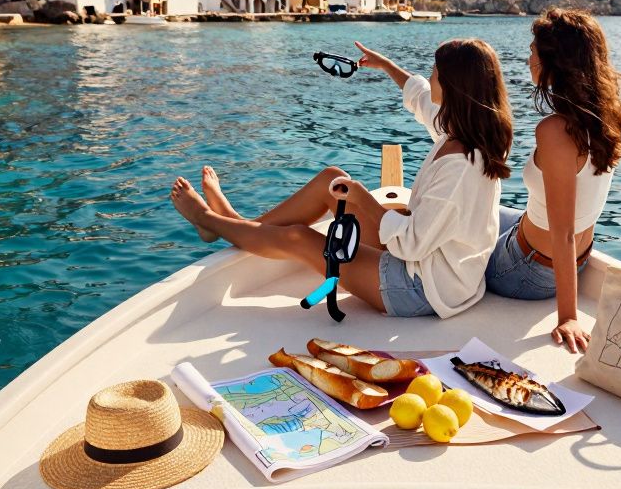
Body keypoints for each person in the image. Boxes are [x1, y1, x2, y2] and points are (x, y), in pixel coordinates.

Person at [170, 38, 513, 318]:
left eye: (435, 71)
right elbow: (421, 99)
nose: (430, 75)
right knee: (331, 181)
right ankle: (235, 224)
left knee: (300, 239)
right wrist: (385, 65)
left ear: (453, 86)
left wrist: (363, 198)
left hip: (423, 287)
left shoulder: (459, 167)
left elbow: (410, 244)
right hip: (426, 259)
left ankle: (208, 220)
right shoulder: (464, 131)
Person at [486, 8, 621, 354]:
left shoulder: (555, 132)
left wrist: (568, 316)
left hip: (525, 269)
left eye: (533, 52)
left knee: (454, 232)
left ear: (556, 62)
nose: (528, 60)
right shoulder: (605, 118)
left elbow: (563, 231)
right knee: (485, 209)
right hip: (572, 256)